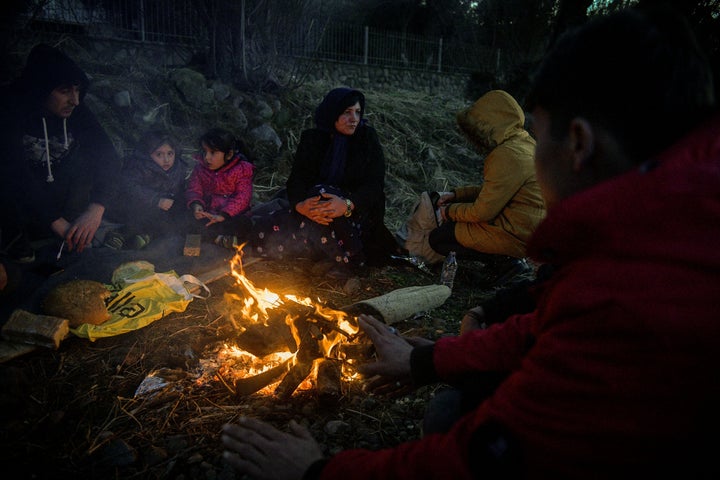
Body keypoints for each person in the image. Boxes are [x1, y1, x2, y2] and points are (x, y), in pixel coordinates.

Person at [220, 6, 720, 479]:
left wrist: (318, 471)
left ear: (579, 144)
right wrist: (430, 358)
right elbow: (547, 323)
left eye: (540, 138)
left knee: (449, 414)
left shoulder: (635, 304)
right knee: (454, 399)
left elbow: (474, 461)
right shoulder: (666, 236)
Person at [248, 87, 397, 276]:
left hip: (355, 215)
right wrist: (301, 206)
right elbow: (297, 180)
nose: (354, 119)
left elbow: (374, 186)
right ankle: (331, 255)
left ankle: (352, 260)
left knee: (322, 191)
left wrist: (347, 205)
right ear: (332, 113)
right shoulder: (313, 139)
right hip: (314, 213)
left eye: (358, 112)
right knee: (265, 231)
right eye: (347, 112)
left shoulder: (366, 139)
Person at [0, 43, 121, 259]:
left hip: (63, 197)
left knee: (86, 162)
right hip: (19, 203)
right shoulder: (10, 109)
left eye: (77, 90)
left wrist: (96, 208)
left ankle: (76, 235)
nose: (74, 100)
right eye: (64, 91)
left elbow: (108, 157)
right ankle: (17, 246)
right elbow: (16, 174)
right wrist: (55, 222)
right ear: (41, 89)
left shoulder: (76, 110)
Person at [428, 89, 546, 280]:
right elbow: (496, 192)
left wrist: (450, 211)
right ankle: (503, 261)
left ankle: (505, 263)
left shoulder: (506, 154)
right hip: (527, 228)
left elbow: (483, 211)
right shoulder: (524, 142)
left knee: (438, 239)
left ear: (488, 123)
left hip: (514, 233)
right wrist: (458, 195)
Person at [104, 130, 189, 250]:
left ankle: (146, 236)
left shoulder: (179, 168)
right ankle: (120, 235)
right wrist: (156, 200)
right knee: (145, 216)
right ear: (148, 154)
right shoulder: (139, 166)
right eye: (159, 154)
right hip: (135, 206)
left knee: (173, 221)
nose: (166, 160)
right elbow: (129, 187)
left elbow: (179, 189)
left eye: (170, 154)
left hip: (163, 208)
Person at [186, 127, 254, 248]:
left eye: (213, 152)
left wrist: (223, 215)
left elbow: (242, 197)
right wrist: (197, 205)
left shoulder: (241, 170)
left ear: (229, 154)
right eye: (205, 151)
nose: (207, 157)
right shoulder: (200, 168)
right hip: (208, 214)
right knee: (187, 220)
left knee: (244, 224)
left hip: (230, 216)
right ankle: (219, 239)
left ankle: (218, 238)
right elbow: (194, 189)